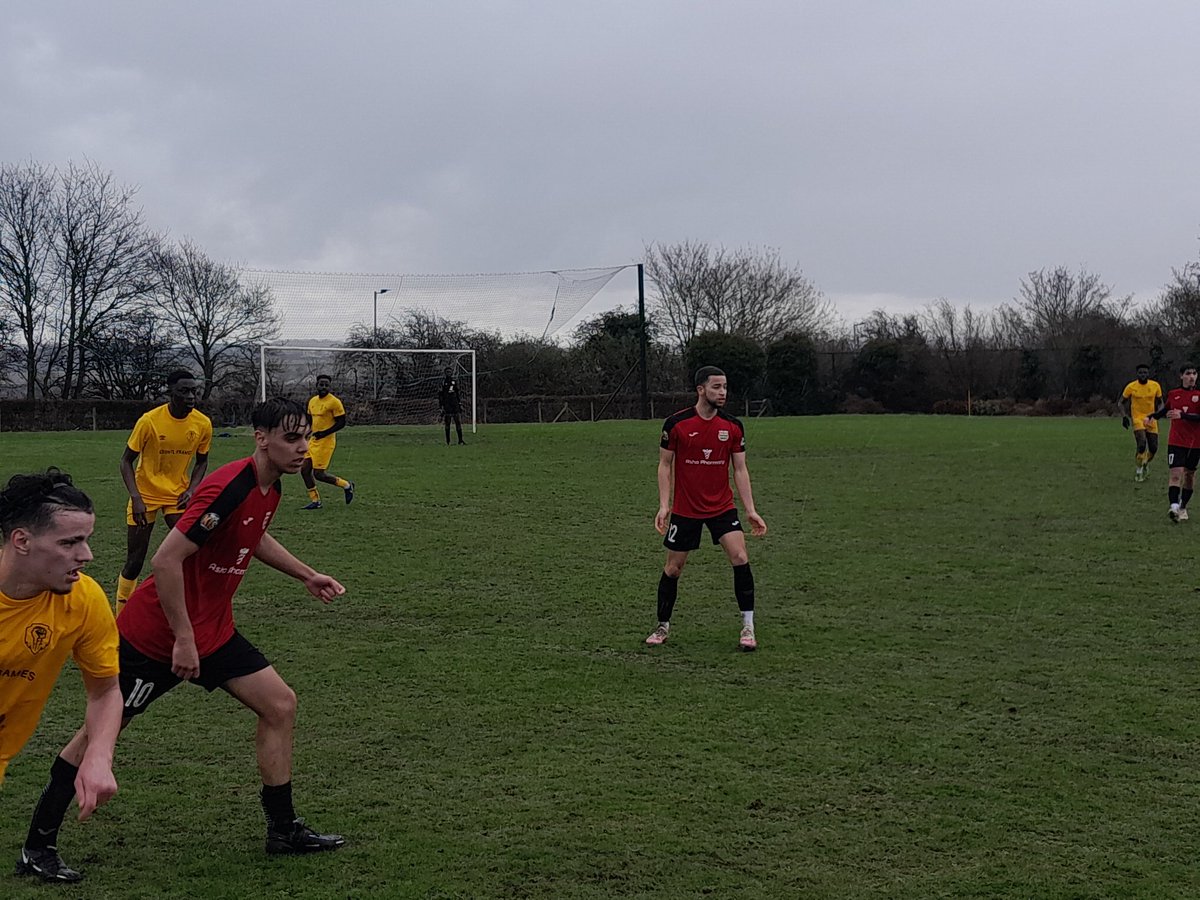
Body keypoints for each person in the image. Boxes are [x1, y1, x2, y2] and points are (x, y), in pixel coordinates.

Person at [18, 399, 347, 883]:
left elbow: (249, 537)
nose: (302, 448)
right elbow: (166, 561)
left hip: (212, 631)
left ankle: (283, 829)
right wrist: (184, 640)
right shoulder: (227, 486)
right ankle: (37, 847)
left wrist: (306, 574)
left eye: (306, 438)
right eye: (291, 438)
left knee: (280, 705)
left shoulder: (268, 488)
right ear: (261, 438)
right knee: (96, 739)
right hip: (154, 638)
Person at [1, 470, 123, 884]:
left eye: (85, 539)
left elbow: (105, 692)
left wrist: (99, 755)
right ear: (22, 541)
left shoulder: (83, 600)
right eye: (70, 543)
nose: (86, 555)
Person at [646, 366, 768, 651]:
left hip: (722, 508)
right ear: (701, 389)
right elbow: (665, 465)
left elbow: (740, 469)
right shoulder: (676, 424)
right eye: (716, 387)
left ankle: (748, 628)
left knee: (740, 557)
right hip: (686, 510)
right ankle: (662, 627)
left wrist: (750, 509)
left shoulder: (733, 426)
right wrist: (664, 506)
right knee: (673, 569)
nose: (722, 392)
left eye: (725, 387)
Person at [116, 369, 212, 613]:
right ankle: (122, 615)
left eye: (194, 391)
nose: (191, 396)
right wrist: (136, 498)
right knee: (135, 561)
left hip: (177, 497)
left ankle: (188, 606)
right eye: (184, 391)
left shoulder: (202, 423)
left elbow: (202, 461)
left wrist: (192, 489)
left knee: (190, 552)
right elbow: (126, 461)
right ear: (171, 392)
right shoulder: (149, 421)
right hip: (145, 496)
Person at [1144, 362, 1200, 523]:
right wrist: (1152, 416)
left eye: (1194, 374)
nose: (1191, 377)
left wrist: (1183, 416)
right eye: (1188, 374)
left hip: (1195, 443)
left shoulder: (1199, 395)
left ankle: (1183, 506)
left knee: (1189, 475)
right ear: (1181, 376)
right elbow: (1165, 410)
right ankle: (1174, 507)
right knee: (1175, 474)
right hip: (1176, 441)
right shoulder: (1174, 394)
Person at [300, 374, 354, 509]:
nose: (323, 387)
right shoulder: (312, 401)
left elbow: (341, 423)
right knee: (304, 470)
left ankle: (347, 485)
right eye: (321, 384)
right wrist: (306, 433)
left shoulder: (334, 402)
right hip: (313, 441)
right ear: (316, 385)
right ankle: (315, 501)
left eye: (326, 385)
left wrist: (324, 433)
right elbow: (309, 420)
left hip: (326, 442)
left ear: (330, 387)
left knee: (318, 474)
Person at [1119, 363, 1163, 482]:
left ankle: (1144, 463)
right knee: (1142, 444)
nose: (1143, 375)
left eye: (1145, 372)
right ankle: (1138, 471)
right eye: (1140, 373)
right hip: (1137, 419)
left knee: (1153, 448)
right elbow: (1120, 402)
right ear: (1137, 374)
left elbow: (1160, 402)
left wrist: (1157, 414)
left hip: (1151, 419)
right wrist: (1124, 417)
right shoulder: (1131, 387)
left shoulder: (1155, 386)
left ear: (1148, 373)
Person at [439, 366, 466, 445]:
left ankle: (460, 440)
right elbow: (440, 395)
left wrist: (459, 403)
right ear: (445, 373)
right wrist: (441, 406)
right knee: (447, 423)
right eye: (447, 372)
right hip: (447, 405)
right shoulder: (443, 382)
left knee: (458, 421)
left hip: (455, 404)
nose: (449, 373)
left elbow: (457, 393)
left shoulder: (454, 381)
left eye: (450, 372)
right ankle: (448, 441)